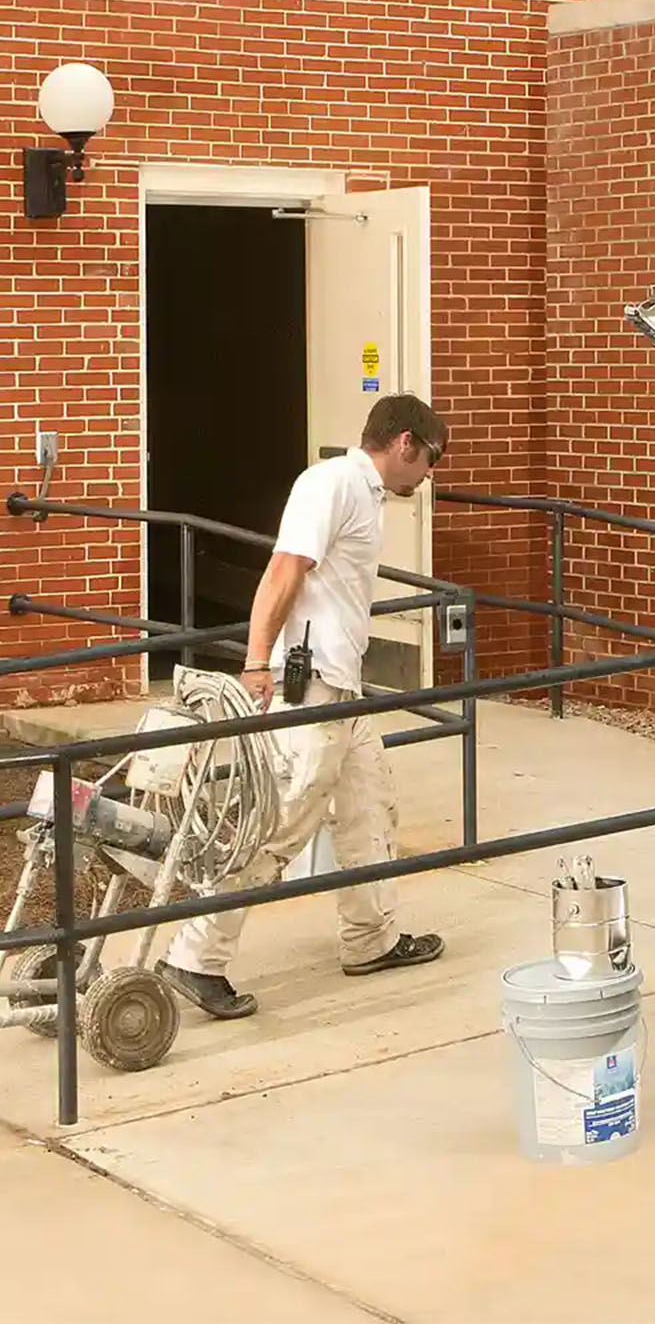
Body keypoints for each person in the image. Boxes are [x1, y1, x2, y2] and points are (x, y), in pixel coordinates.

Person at [157, 394, 451, 1020]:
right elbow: (284, 570)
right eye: (429, 460)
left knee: (370, 806)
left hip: (344, 686)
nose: (428, 474)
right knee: (281, 821)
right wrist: (256, 661)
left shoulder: (366, 494)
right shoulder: (332, 484)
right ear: (404, 443)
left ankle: (372, 938)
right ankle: (194, 957)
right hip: (312, 683)